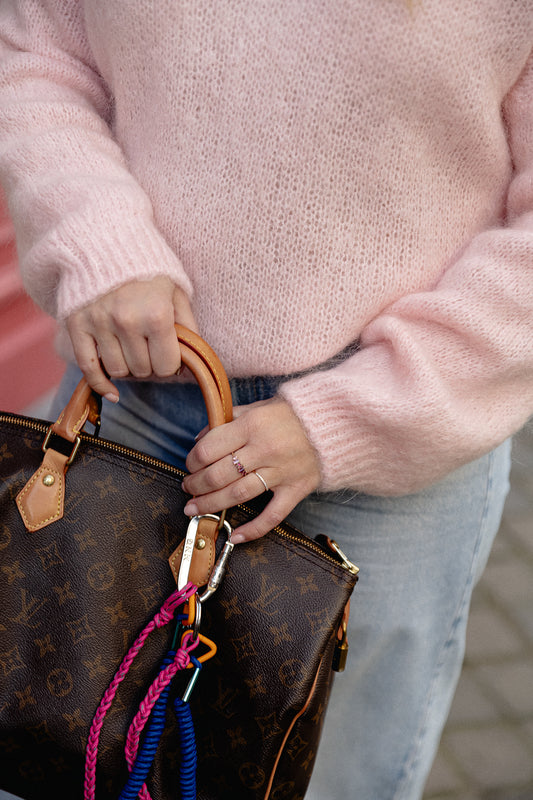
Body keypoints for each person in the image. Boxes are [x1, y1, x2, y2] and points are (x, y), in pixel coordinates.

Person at [1, 2, 533, 797]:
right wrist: (97, 242)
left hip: (387, 461)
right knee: (55, 762)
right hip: (127, 401)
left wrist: (353, 417)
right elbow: (37, 49)